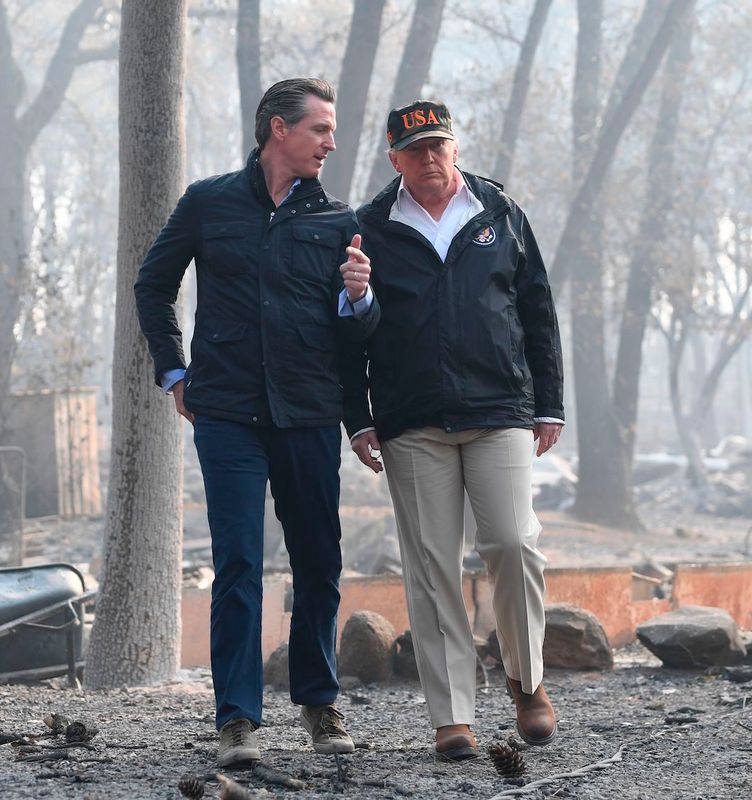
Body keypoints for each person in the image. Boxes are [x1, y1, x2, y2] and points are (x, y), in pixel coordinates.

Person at [134, 78, 380, 767]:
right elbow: (153, 286)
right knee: (238, 562)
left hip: (306, 412)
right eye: (321, 129)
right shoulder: (208, 204)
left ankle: (319, 702)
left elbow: (360, 336)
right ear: (279, 129)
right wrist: (174, 370)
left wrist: (359, 299)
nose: (331, 142)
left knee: (319, 560)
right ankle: (237, 720)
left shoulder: (338, 221)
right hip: (227, 413)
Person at [346, 100, 563, 761]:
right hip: (412, 420)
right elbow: (347, 334)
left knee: (513, 542)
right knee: (432, 568)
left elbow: (537, 311)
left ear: (456, 148)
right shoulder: (369, 229)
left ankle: (527, 682)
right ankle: (453, 718)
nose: (430, 158)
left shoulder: (499, 213)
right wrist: (358, 417)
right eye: (415, 151)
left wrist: (548, 405)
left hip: (500, 409)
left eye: (439, 145)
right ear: (395, 161)